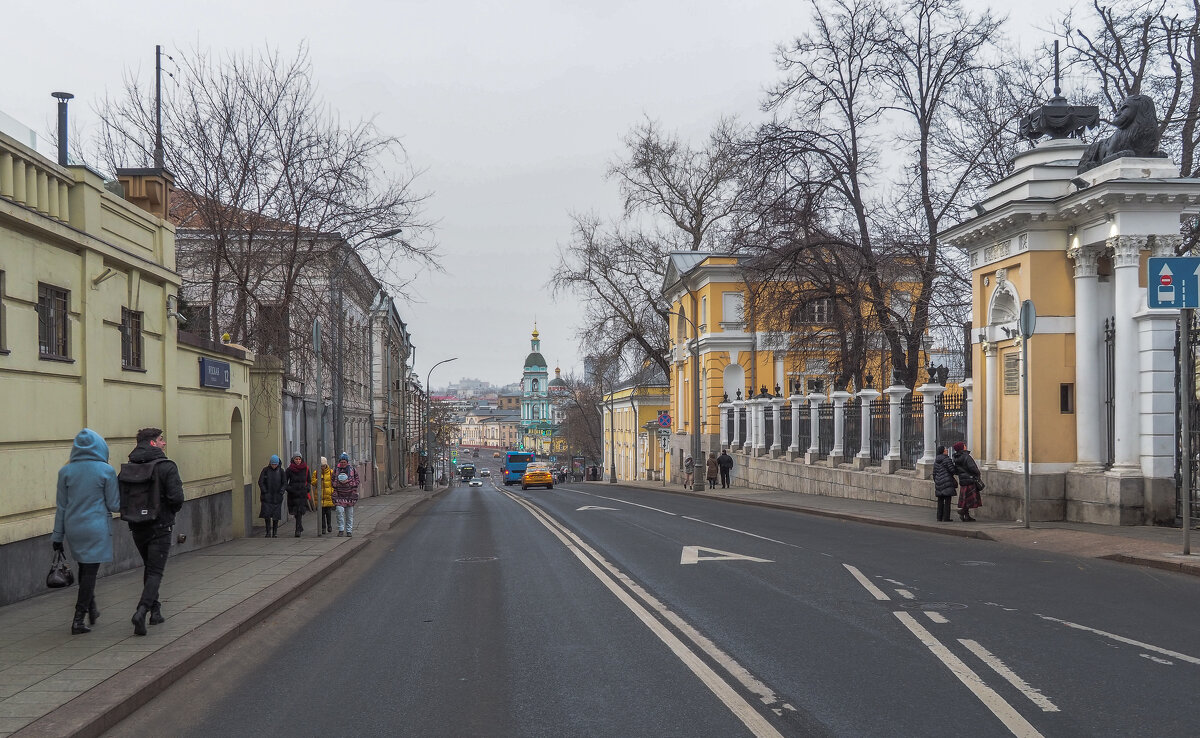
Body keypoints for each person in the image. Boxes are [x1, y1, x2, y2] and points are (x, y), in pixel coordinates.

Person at [52, 429, 121, 635]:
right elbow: (114, 504)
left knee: (84, 568)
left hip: (73, 528)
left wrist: (57, 536)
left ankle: (92, 609)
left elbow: (61, 507)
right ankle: (78, 619)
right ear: (100, 447)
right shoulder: (105, 470)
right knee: (90, 572)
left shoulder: (65, 471)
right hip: (96, 527)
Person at [122, 427, 184, 636]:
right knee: (156, 571)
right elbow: (177, 498)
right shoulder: (166, 467)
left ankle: (155, 612)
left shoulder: (131, 467)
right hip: (160, 525)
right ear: (151, 443)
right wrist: (168, 512)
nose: (164, 443)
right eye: (161, 440)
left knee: (150, 568)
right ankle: (141, 610)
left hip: (137, 525)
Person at [953, 441, 983, 522]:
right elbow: (972, 467)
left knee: (966, 500)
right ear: (962, 448)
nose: (965, 446)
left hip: (963, 480)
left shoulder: (956, 458)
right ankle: (962, 511)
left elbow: (956, 471)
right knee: (969, 500)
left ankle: (966, 515)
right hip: (970, 479)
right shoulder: (966, 457)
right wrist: (977, 473)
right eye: (964, 445)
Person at [332, 452, 360, 537]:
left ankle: (349, 530)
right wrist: (337, 483)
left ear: (347, 462)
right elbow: (332, 480)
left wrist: (349, 483)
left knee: (349, 514)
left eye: (344, 462)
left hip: (350, 495)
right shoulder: (336, 470)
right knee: (339, 511)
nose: (343, 464)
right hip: (339, 495)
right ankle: (341, 529)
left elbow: (357, 480)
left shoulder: (352, 470)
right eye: (341, 462)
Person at [258, 455, 286, 538]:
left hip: (277, 496)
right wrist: (264, 491)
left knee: (276, 516)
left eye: (275, 464)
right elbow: (260, 482)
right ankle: (267, 532)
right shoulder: (265, 470)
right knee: (267, 515)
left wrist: (281, 491)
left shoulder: (281, 471)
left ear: (278, 464)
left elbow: (284, 483)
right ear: (270, 463)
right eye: (272, 464)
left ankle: (275, 532)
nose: (274, 466)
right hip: (267, 496)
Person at [932, 445, 958, 522]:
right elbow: (952, 470)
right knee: (947, 501)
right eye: (945, 450)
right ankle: (946, 518)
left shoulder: (936, 461)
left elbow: (934, 473)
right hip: (947, 482)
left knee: (940, 501)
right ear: (943, 451)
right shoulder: (947, 460)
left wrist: (937, 481)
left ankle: (939, 517)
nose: (947, 450)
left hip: (938, 483)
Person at [285, 454, 310, 537]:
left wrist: (307, 488)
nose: (298, 461)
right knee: (296, 512)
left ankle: (297, 530)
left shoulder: (305, 468)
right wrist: (290, 489)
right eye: (296, 459)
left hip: (302, 494)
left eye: (299, 459)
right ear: (293, 460)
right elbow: (285, 482)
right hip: (293, 494)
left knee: (299, 511)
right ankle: (300, 525)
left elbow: (308, 480)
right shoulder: (289, 470)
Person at [311, 457, 334, 535]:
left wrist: (332, 492)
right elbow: (313, 482)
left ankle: (329, 525)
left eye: (323, 465)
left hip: (328, 496)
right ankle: (323, 528)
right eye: (321, 466)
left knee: (328, 512)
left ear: (326, 465)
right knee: (321, 513)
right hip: (320, 496)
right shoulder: (316, 472)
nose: (322, 467)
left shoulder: (331, 472)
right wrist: (319, 480)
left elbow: (334, 482)